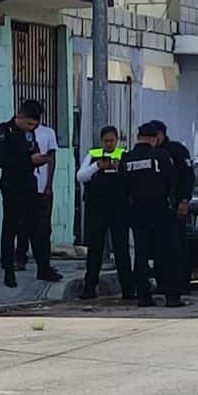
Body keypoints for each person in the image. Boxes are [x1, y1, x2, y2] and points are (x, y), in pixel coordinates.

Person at [0, 103, 60, 287]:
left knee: (38, 228)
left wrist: (40, 159)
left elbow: (33, 152)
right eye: (29, 124)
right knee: (11, 229)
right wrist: (28, 160)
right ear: (20, 116)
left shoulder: (29, 134)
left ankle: (44, 268)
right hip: (12, 186)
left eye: (34, 125)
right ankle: (9, 272)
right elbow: (1, 160)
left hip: (30, 185)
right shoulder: (3, 132)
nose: (31, 128)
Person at [122, 122, 184, 308]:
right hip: (159, 209)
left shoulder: (127, 158)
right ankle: (172, 297)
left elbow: (123, 186)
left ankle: (143, 296)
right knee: (167, 253)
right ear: (154, 139)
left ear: (138, 138)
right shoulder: (161, 155)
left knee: (141, 254)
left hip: (136, 210)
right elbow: (172, 180)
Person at [77, 125, 134, 300]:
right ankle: (89, 288)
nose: (109, 144)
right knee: (95, 249)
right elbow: (81, 176)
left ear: (117, 141)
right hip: (97, 209)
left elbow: (131, 180)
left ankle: (128, 289)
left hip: (119, 209)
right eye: (106, 141)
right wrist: (97, 166)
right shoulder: (93, 155)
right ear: (101, 141)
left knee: (121, 249)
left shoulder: (124, 156)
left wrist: (119, 168)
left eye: (112, 140)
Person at [148, 120, 195, 293]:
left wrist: (185, 200)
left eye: (155, 135)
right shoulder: (150, 152)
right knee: (158, 247)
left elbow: (188, 176)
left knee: (177, 245)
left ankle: (182, 283)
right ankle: (163, 283)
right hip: (157, 207)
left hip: (176, 205)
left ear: (162, 134)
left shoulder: (177, 150)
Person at [15, 101, 57, 272]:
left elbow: (51, 159)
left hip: (41, 186)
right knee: (21, 225)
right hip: (23, 187)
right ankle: (20, 258)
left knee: (43, 227)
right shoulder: (18, 133)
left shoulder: (48, 133)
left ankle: (44, 263)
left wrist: (49, 185)